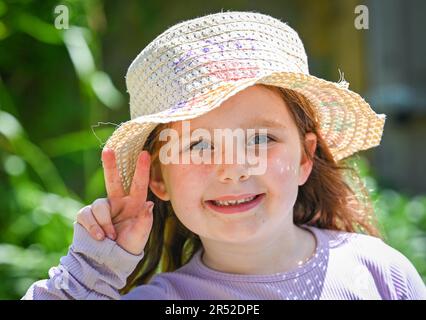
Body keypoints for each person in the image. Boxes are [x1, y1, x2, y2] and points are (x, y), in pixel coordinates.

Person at [23, 11, 426, 300]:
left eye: (260, 139)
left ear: (305, 158)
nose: (233, 168)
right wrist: (91, 273)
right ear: (159, 180)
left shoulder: (380, 272)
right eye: (198, 144)